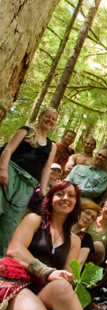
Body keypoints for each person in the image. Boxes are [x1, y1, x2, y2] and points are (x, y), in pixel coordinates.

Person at [0, 181, 90, 310]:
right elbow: (15, 250)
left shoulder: (75, 241)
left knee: (63, 287)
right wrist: (47, 272)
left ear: (76, 203)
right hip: (13, 286)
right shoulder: (34, 220)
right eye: (60, 194)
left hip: (41, 293)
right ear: (50, 198)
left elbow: (67, 279)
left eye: (71, 195)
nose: (65, 198)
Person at [0, 107, 58, 256]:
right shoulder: (25, 131)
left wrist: (43, 191)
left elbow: (46, 170)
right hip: (11, 172)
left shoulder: (51, 146)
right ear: (41, 117)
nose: (49, 120)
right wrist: (3, 169)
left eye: (53, 119)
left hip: (29, 184)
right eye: (47, 116)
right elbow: (8, 150)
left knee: (12, 220)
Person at [86, 198, 107, 265]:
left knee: (99, 246)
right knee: (98, 245)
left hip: (95, 259)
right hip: (81, 251)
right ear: (101, 209)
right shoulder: (91, 219)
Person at [71, 200, 100, 268]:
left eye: (93, 217)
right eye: (87, 212)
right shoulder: (60, 226)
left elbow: (79, 264)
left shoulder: (86, 238)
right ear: (78, 210)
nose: (88, 218)